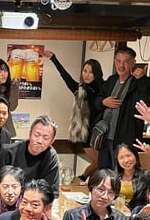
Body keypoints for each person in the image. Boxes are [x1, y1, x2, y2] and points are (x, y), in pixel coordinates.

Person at [42, 51, 104, 181]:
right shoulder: (79, 89)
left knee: (101, 164)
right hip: (85, 133)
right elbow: (65, 76)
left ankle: (84, 182)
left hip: (101, 133)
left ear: (96, 73)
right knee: (98, 163)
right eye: (85, 71)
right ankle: (81, 179)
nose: (87, 74)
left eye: (91, 72)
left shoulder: (104, 88)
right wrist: (54, 59)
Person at [95, 47, 150, 170]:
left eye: (126, 61)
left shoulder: (137, 83)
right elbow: (97, 102)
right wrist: (103, 102)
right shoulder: (111, 80)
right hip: (105, 137)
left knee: (121, 173)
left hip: (125, 139)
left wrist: (143, 80)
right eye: (118, 61)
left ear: (133, 63)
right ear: (114, 61)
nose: (121, 65)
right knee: (103, 172)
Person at [0, 115, 60, 198]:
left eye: (45, 138)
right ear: (30, 134)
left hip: (32, 200)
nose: (39, 141)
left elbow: (51, 191)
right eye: (36, 135)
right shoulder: (8, 151)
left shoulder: (51, 156)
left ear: (52, 141)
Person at [0, 58, 19, 136]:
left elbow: (12, 107)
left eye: (5, 71)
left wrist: (15, 87)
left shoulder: (8, 88)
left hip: (5, 132)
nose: (3, 74)